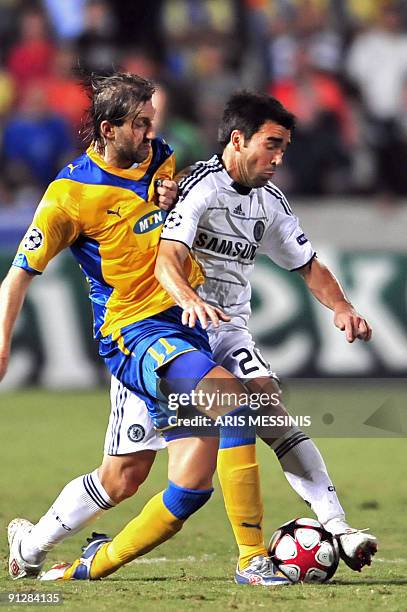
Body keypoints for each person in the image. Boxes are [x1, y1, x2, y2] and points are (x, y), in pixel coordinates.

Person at [23, 90, 376, 582]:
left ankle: (334, 528)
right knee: (123, 478)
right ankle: (36, 544)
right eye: (272, 145)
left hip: (223, 330)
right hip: (159, 327)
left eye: (285, 148)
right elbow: (165, 254)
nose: (279, 158)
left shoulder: (265, 201)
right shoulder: (195, 188)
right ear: (238, 139)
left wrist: (341, 307)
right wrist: (187, 297)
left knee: (256, 414)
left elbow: (307, 263)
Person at [1, 73, 293, 588]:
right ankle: (253, 559)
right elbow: (16, 277)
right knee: (235, 402)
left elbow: (161, 220)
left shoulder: (160, 156)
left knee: (162, 482)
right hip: (134, 333)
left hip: (183, 329)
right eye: (139, 124)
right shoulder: (68, 195)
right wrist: (2, 346)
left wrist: (167, 202)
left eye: (151, 121)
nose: (151, 132)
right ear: (108, 129)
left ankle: (52, 554)